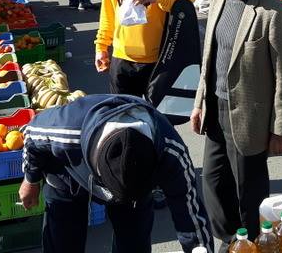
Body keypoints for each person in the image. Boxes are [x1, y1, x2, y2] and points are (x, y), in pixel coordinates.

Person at [190, 0, 282, 244]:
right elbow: (209, 57)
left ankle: (255, 243)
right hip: (215, 106)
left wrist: (280, 129)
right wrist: (200, 101)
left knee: (249, 190)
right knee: (212, 183)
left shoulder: (275, 12)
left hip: (250, 118)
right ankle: (232, 241)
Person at [18, 94, 212, 253]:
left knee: (134, 243)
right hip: (68, 174)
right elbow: (31, 135)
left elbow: (191, 216)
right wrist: (31, 179)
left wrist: (199, 249)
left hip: (136, 194)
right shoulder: (66, 129)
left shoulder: (171, 152)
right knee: (63, 241)